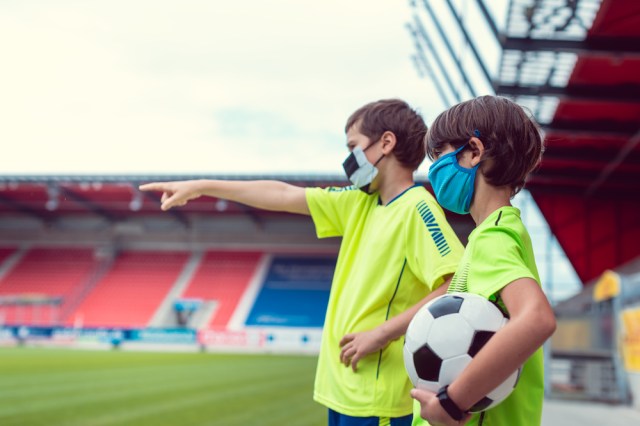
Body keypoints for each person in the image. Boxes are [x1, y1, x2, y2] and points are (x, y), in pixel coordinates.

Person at [139, 98, 464, 425]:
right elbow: (282, 194)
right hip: (339, 388)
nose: (349, 159)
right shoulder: (358, 203)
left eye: (353, 146)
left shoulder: (418, 209)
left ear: (386, 142)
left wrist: (382, 333)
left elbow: (455, 282)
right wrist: (202, 186)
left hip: (376, 397)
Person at [410, 95, 557, 426]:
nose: (433, 170)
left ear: (473, 152)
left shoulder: (493, 237)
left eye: (439, 155)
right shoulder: (497, 231)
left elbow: (536, 319)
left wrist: (451, 403)